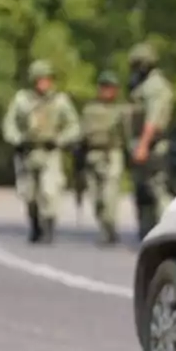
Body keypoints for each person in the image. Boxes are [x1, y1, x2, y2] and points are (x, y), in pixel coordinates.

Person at [0, 59, 82, 244]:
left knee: (49, 191)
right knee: (29, 194)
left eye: (47, 79)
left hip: (50, 151)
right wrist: (16, 139)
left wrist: (61, 139)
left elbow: (74, 126)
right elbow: (9, 123)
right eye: (40, 79)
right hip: (28, 152)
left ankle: (49, 228)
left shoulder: (60, 101)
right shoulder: (22, 100)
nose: (44, 83)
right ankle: (35, 224)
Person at [126, 42, 176, 238]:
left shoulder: (155, 87)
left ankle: (167, 231)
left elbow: (152, 121)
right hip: (144, 144)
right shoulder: (144, 86)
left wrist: (143, 146)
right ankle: (148, 233)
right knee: (143, 192)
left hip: (153, 146)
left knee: (157, 189)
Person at [78, 70, 128, 245]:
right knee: (96, 197)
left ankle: (110, 228)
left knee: (109, 194)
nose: (107, 91)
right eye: (104, 87)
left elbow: (127, 135)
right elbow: (81, 134)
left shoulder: (121, 110)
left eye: (111, 87)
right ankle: (105, 227)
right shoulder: (89, 110)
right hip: (92, 155)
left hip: (112, 154)